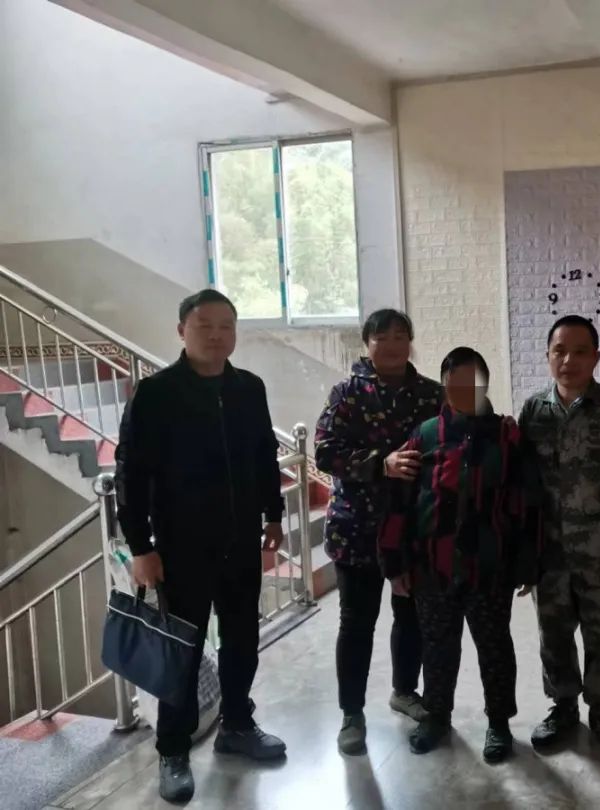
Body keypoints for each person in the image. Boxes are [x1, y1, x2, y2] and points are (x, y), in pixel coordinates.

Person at [115, 289, 287, 803]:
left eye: (226, 326)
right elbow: (130, 475)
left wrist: (274, 515)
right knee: (181, 653)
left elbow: (264, 455)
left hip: (240, 542)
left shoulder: (248, 388)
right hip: (180, 548)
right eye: (204, 325)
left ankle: (237, 725)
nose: (216, 335)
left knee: (242, 641)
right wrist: (141, 547)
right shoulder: (156, 394)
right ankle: (173, 750)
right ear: (181, 330)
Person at [378, 347, 541, 763]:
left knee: (494, 647)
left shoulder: (507, 435)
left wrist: (526, 562)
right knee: (438, 647)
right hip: (433, 567)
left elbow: (525, 502)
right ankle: (437, 716)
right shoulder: (424, 435)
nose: (465, 392)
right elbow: (400, 502)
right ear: (444, 386)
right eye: (455, 384)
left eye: (473, 383)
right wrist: (394, 563)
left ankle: (499, 723)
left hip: (490, 568)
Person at [314, 309, 442, 756]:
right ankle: (352, 712)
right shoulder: (347, 394)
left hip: (414, 527)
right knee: (357, 622)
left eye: (400, 336)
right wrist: (379, 464)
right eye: (381, 337)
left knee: (412, 617)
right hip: (357, 528)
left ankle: (404, 691)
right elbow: (325, 453)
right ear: (366, 343)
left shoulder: (432, 394)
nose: (392, 345)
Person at [520, 316, 600, 758]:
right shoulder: (534, 411)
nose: (568, 360)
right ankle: (563, 707)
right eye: (559, 350)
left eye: (579, 351)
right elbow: (522, 485)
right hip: (549, 551)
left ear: (596, 357)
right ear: (548, 355)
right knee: (553, 633)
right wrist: (524, 548)